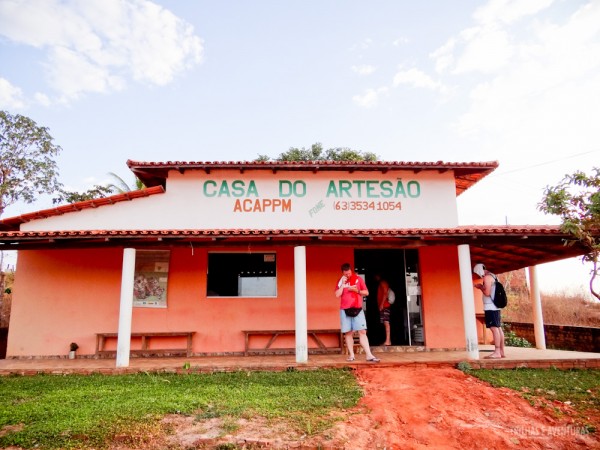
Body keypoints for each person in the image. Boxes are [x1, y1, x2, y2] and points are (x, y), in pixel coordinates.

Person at [335, 263, 380, 362]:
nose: (348, 275)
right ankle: (351, 355)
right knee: (348, 332)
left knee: (362, 331)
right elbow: (337, 294)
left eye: (349, 273)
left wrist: (357, 291)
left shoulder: (358, 279)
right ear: (343, 273)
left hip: (357, 308)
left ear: (351, 271)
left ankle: (369, 355)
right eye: (346, 274)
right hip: (345, 309)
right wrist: (342, 284)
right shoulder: (340, 281)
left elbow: (366, 292)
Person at [473, 263, 505, 359]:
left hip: (490, 307)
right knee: (498, 328)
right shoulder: (494, 276)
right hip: (495, 307)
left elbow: (487, 293)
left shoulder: (487, 278)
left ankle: (497, 352)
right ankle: (501, 351)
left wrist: (480, 287)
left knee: (494, 328)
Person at [375, 274, 392, 346]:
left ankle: (388, 341)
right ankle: (388, 340)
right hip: (384, 306)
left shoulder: (383, 283)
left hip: (385, 306)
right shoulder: (381, 283)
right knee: (385, 322)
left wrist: (381, 304)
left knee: (386, 323)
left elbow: (385, 293)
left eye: (376, 276)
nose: (375, 277)